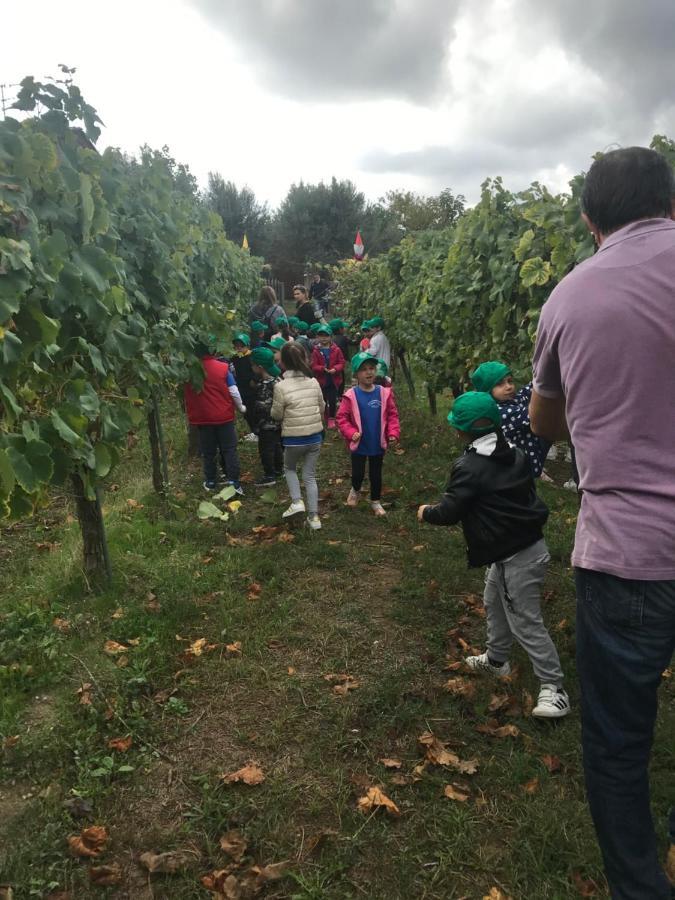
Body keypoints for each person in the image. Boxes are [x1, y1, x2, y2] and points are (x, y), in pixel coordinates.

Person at [529, 146, 675, 900]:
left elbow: (545, 422)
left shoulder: (567, 299)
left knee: (619, 745)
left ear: (589, 219)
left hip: (626, 557)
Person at [417, 391, 570, 717]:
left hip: (518, 556)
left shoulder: (469, 466)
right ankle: (497, 659)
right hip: (514, 549)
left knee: (525, 621)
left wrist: (426, 512)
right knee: (493, 601)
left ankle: (554, 688)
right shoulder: (514, 453)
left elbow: (450, 510)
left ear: (460, 430)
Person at [336, 352, 400, 517]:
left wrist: (393, 433)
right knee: (357, 473)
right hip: (359, 444)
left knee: (376, 474)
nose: (369, 372)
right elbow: (341, 418)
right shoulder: (351, 396)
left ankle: (376, 501)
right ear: (356, 374)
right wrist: (351, 432)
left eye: (372, 368)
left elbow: (392, 415)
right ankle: (355, 489)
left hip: (377, 443)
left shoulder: (383, 393)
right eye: (364, 369)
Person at [271, 342, 326, 531]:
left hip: (293, 439)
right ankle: (314, 517)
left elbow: (277, 415)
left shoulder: (281, 386)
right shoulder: (313, 382)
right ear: (305, 359)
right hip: (314, 438)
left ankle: (296, 502)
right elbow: (322, 407)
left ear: (283, 363)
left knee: (290, 468)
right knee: (310, 476)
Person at [183, 339, 245, 494]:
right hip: (223, 416)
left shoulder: (189, 371)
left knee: (208, 451)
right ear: (213, 351)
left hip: (202, 418)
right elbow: (234, 391)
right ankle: (234, 482)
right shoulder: (223, 368)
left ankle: (210, 481)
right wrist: (241, 407)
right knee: (229, 449)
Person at [471, 361, 551, 478]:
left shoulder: (509, 402)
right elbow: (534, 415)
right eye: (500, 384)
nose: (508, 386)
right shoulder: (500, 413)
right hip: (516, 471)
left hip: (520, 467)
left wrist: (544, 375)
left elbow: (526, 392)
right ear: (487, 390)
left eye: (510, 381)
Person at [249, 347, 283, 487]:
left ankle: (269, 475)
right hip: (278, 423)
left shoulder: (265, 385)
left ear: (260, 367)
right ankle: (279, 469)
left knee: (266, 449)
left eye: (253, 365)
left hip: (266, 423)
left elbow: (262, 406)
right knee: (276, 446)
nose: (252, 368)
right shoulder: (278, 380)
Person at [311, 325, 345, 429]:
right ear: (317, 337)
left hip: (333, 380)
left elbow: (341, 362)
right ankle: (325, 415)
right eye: (321, 336)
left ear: (330, 337)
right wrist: (322, 368)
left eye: (326, 336)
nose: (324, 338)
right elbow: (313, 365)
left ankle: (331, 418)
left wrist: (335, 369)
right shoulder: (316, 351)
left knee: (332, 400)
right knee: (323, 400)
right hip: (322, 380)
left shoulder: (336, 350)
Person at [231, 332, 258, 442]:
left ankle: (257, 431)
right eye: (236, 346)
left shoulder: (252, 357)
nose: (238, 348)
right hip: (241, 388)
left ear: (247, 345)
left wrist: (254, 380)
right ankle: (253, 431)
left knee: (253, 410)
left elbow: (258, 371)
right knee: (246, 412)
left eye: (241, 346)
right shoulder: (235, 358)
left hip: (251, 389)